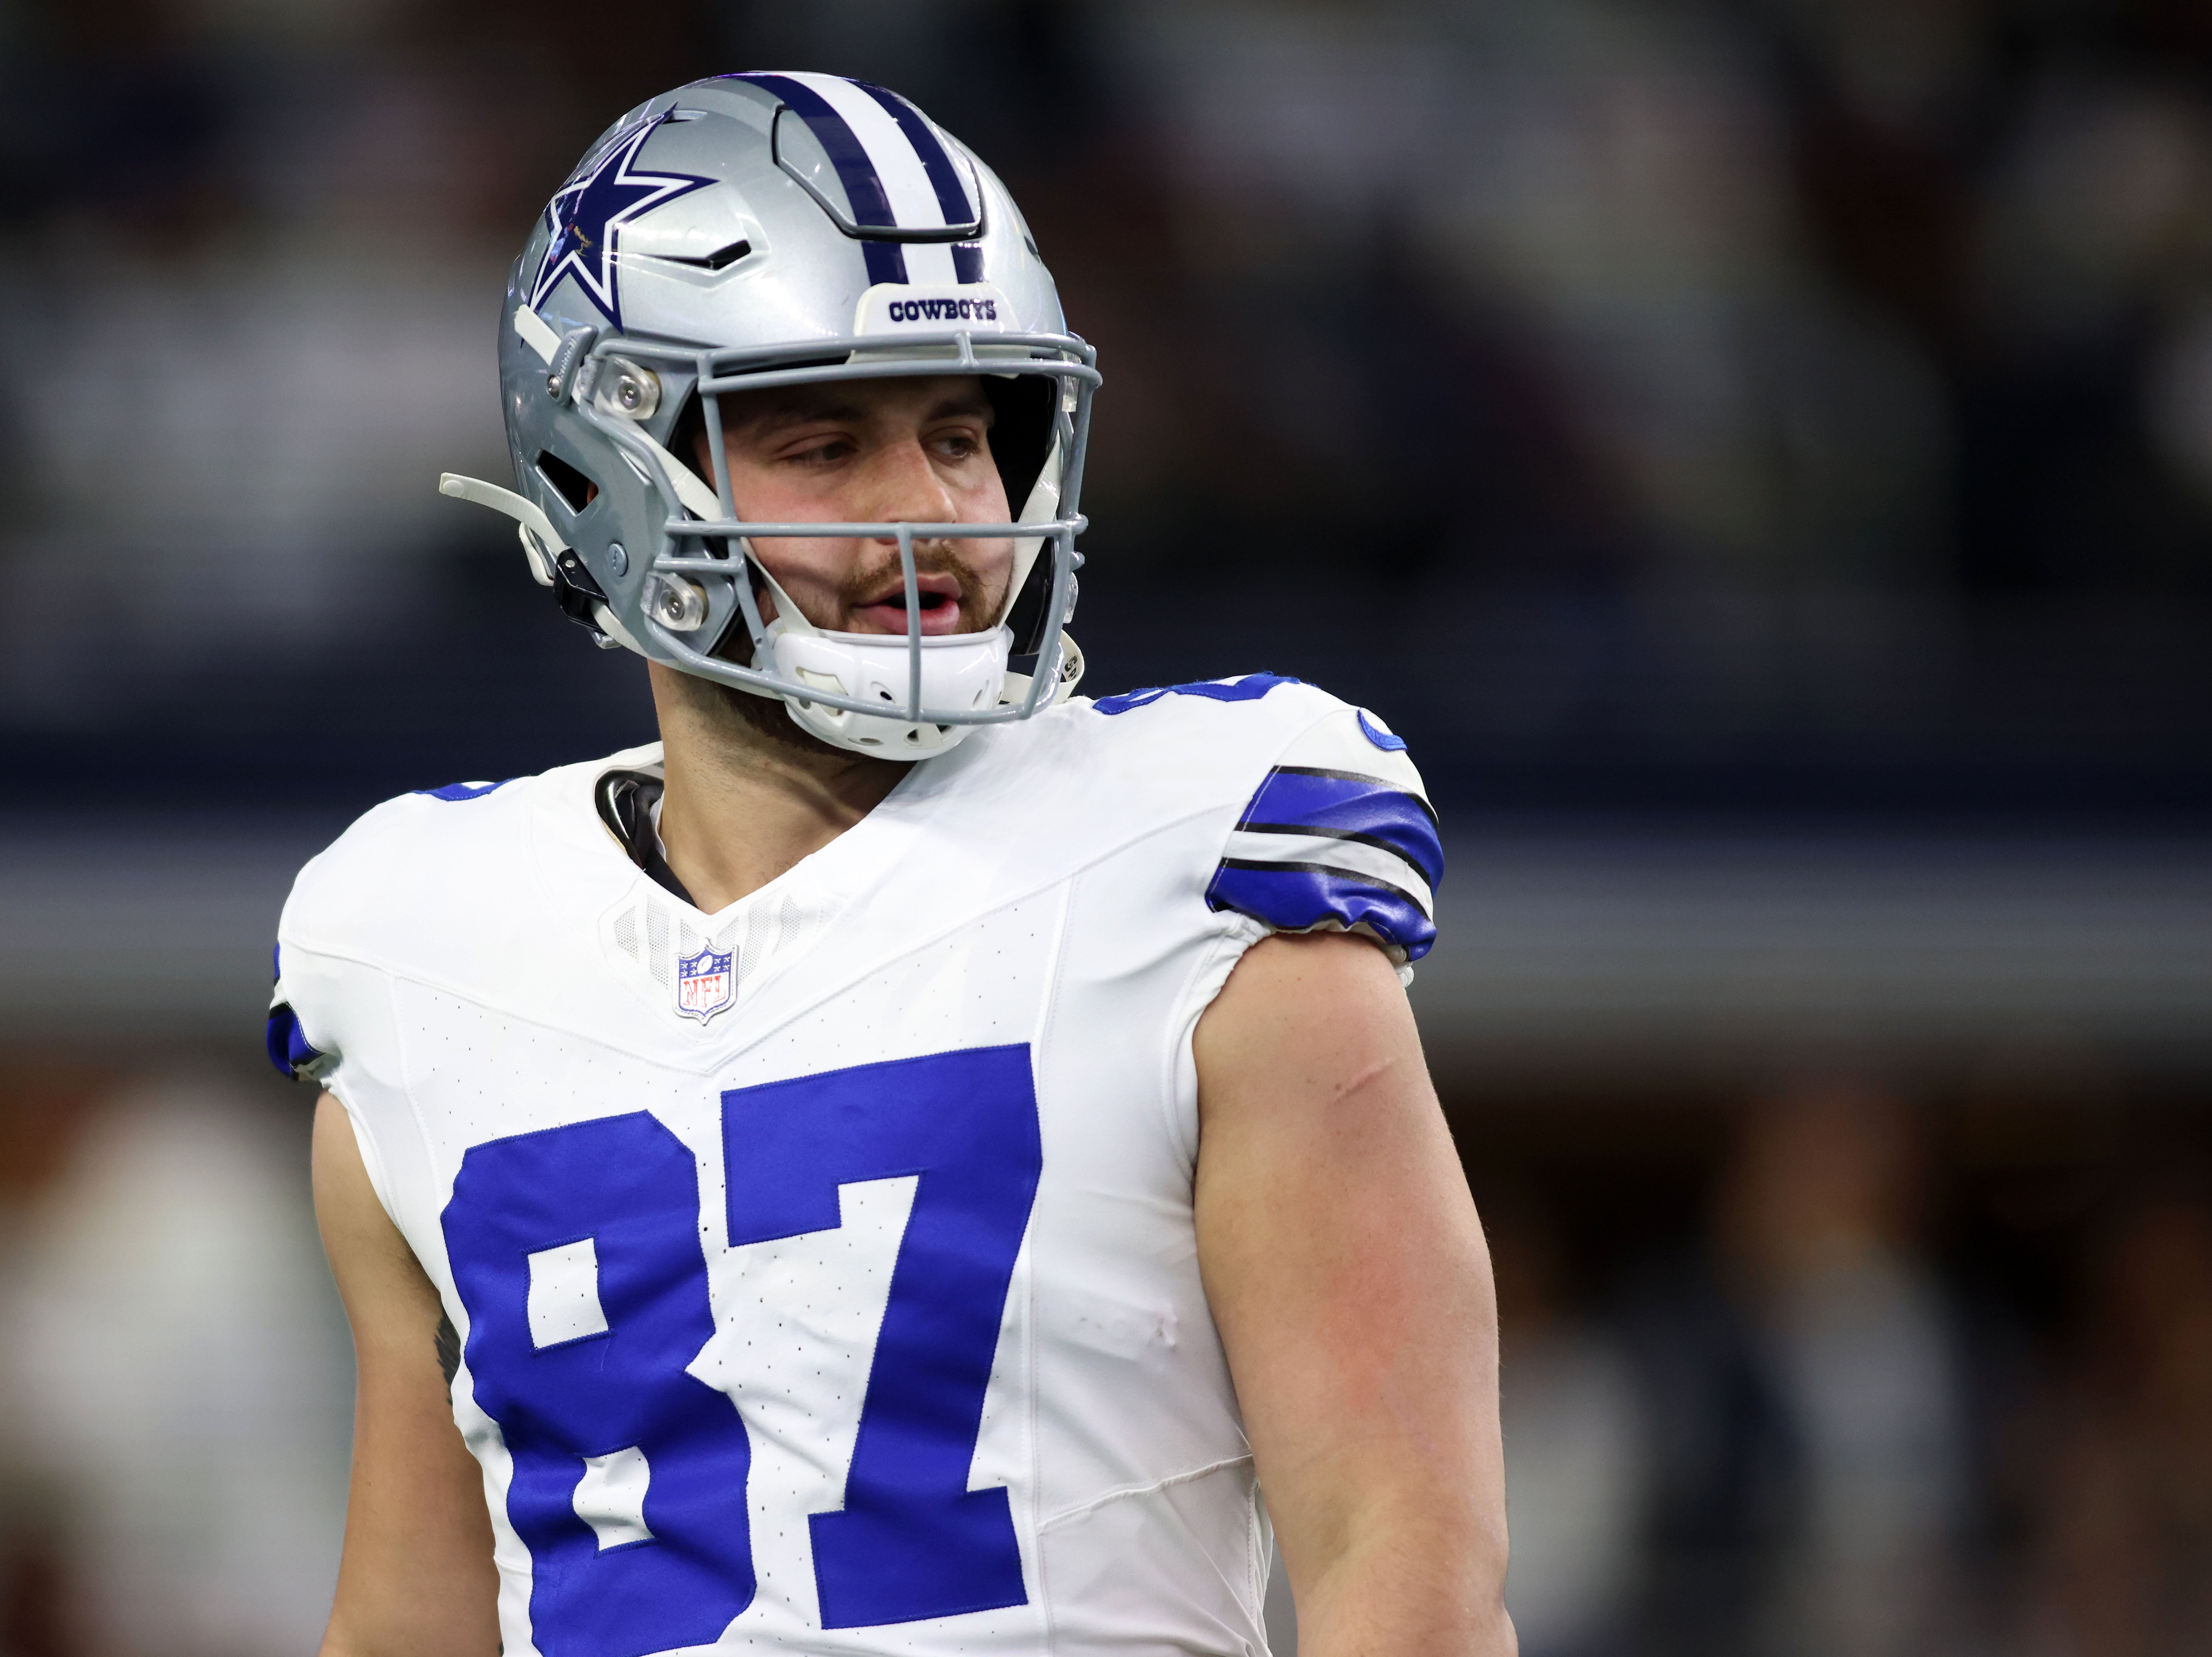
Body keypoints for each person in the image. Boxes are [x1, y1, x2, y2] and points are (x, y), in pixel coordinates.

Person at [270, 72, 1510, 1657]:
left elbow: (1402, 1570)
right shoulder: (418, 953)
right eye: (820, 442)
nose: (928, 514)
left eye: (956, 433)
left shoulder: (1202, 882)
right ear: (610, 469)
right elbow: (407, 1626)